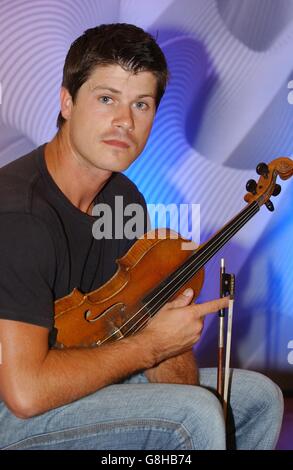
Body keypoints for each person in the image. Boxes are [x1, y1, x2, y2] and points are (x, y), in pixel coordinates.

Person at [0, 23, 283, 450]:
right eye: (106, 98)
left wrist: (168, 330)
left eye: (142, 104)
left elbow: (161, 362)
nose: (124, 121)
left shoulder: (123, 199)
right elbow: (25, 394)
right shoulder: (19, 214)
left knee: (258, 398)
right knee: (194, 416)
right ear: (66, 102)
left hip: (79, 365)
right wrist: (150, 347)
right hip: (13, 402)